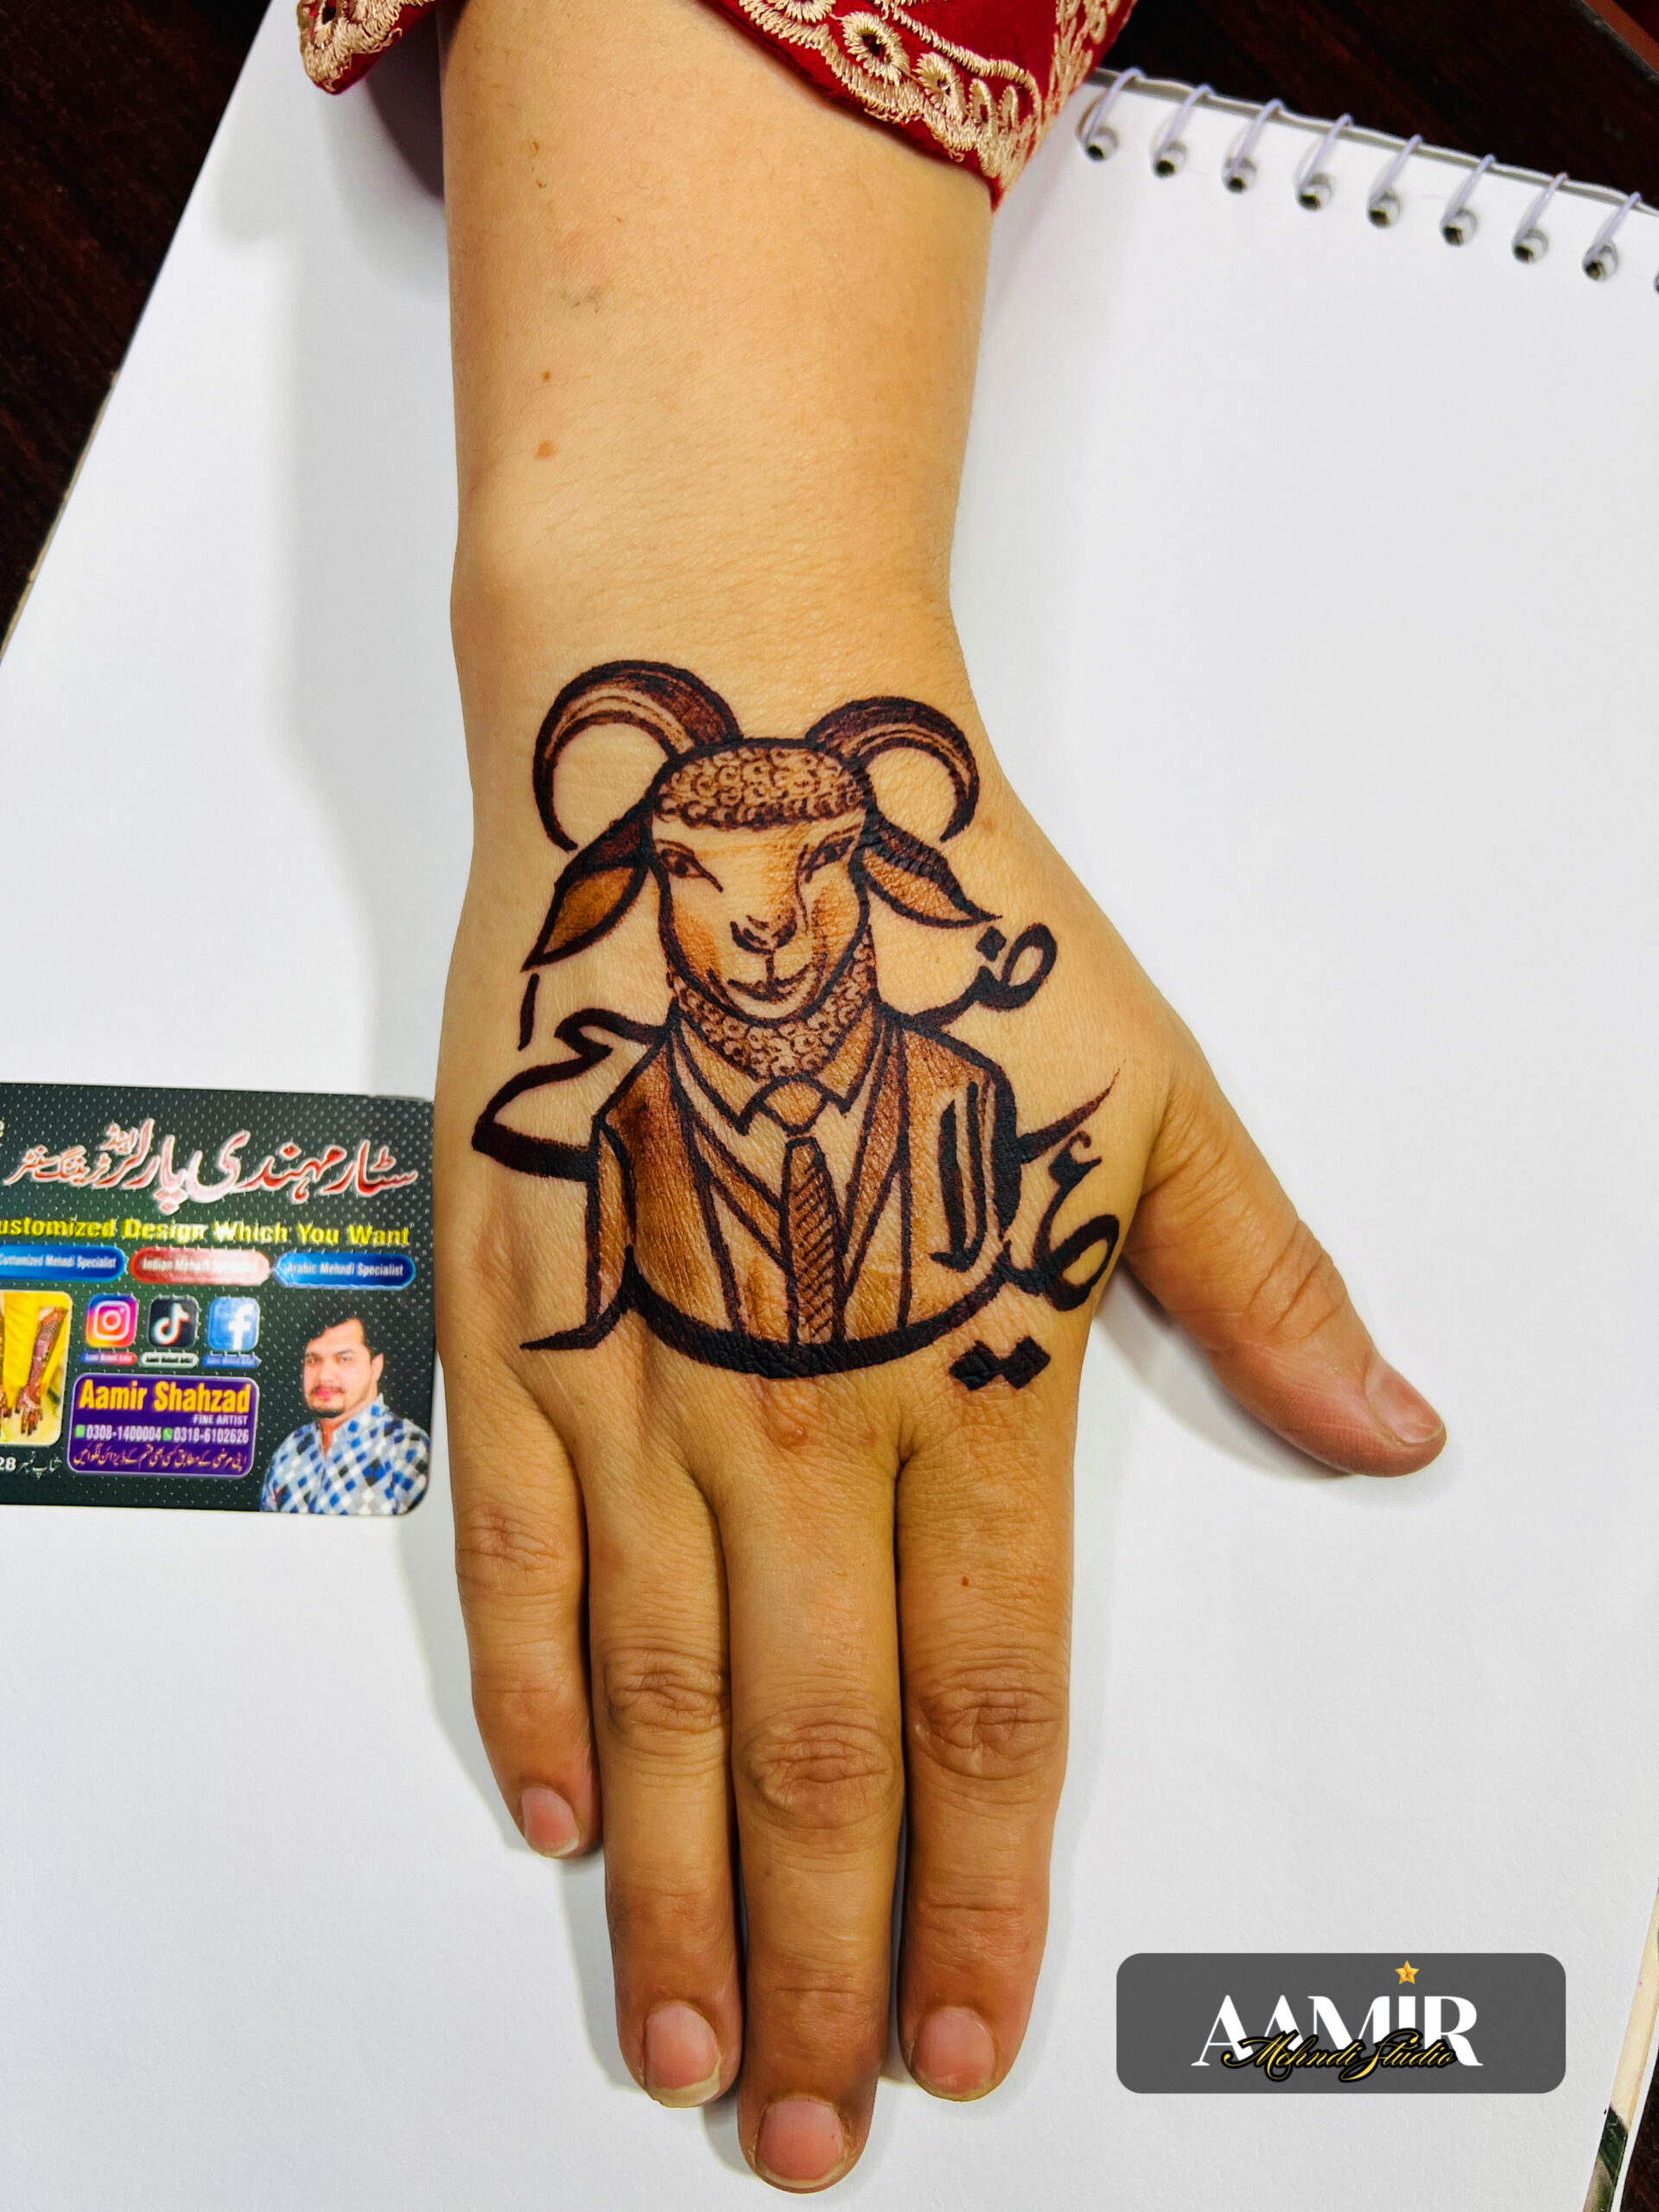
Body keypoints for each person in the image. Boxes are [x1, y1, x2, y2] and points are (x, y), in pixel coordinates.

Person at [302, 0, 1446, 2190]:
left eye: (812, 878)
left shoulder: (950, 1116)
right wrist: (656, 538)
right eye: (703, 888)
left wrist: (673, 506)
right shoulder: (633, 1131)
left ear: (877, 874)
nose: (754, 934)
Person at [260, 1313, 429, 1515]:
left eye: (343, 1359)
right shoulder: (288, 1451)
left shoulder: (408, 1448)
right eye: (313, 1360)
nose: (324, 1376)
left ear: (376, 1367)